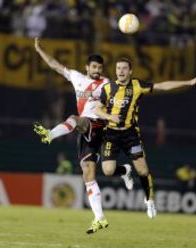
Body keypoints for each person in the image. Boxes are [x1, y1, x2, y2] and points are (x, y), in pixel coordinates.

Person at [33, 38, 133, 234]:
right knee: (90, 174)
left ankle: (50, 134)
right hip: (87, 132)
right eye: (94, 66)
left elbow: (125, 90)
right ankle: (100, 217)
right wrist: (39, 50)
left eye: (100, 67)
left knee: (75, 118)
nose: (97, 70)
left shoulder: (107, 84)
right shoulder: (77, 78)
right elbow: (55, 65)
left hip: (100, 125)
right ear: (87, 67)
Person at [95, 57, 196, 219]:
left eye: (124, 68)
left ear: (130, 72)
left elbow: (162, 86)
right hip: (110, 133)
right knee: (108, 171)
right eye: (118, 68)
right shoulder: (108, 88)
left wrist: (188, 83)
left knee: (143, 170)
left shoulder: (137, 85)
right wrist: (109, 116)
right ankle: (125, 170)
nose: (121, 71)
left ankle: (149, 201)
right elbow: (97, 110)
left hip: (130, 134)